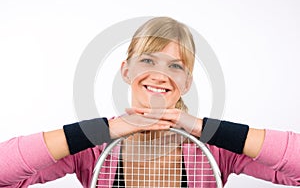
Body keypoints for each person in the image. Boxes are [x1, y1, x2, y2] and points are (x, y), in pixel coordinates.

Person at [0, 17, 300, 187]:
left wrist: (201, 126)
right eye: (148, 60)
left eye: (175, 66)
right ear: (126, 71)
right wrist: (105, 129)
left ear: (186, 82)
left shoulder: (215, 149)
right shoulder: (93, 150)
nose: (159, 75)